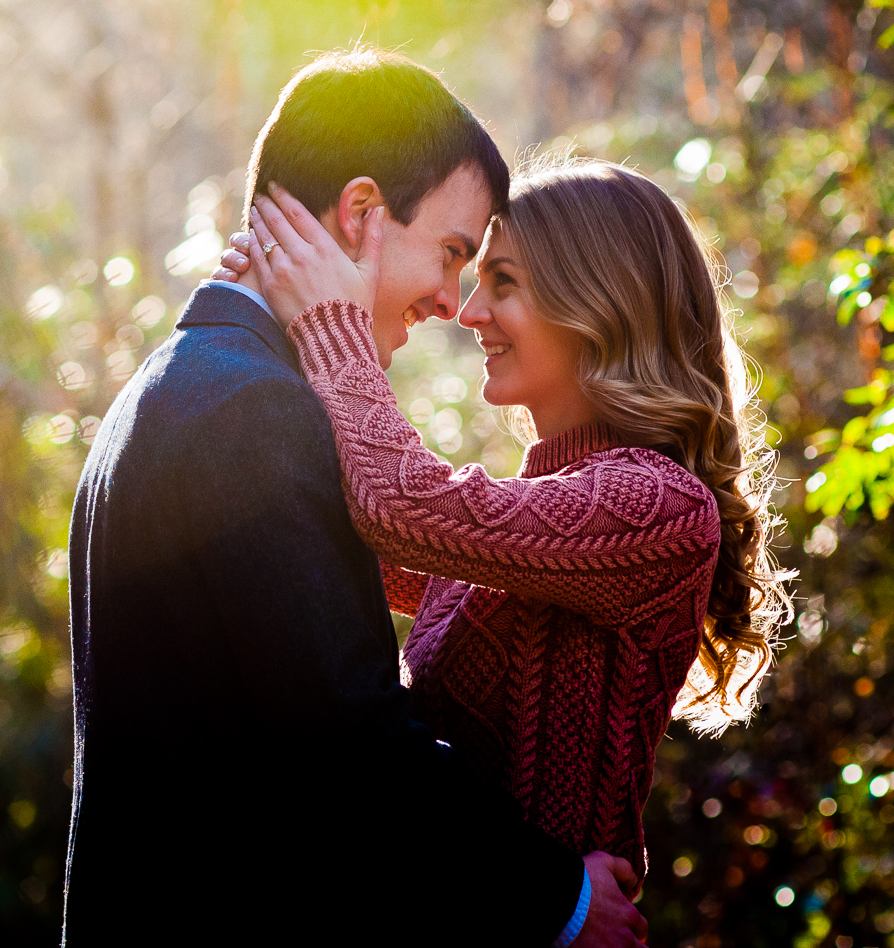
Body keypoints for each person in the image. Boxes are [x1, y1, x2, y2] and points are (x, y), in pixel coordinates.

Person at [63, 48, 648, 946]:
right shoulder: (252, 410)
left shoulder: (180, 383)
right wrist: (557, 898)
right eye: (452, 253)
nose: (453, 304)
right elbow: (347, 747)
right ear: (363, 211)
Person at [220, 152, 791, 878]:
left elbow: (400, 507)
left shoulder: (657, 508)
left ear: (598, 302)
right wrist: (266, 298)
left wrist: (332, 323)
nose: (469, 312)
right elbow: (356, 532)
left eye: (504, 282)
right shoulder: (538, 522)